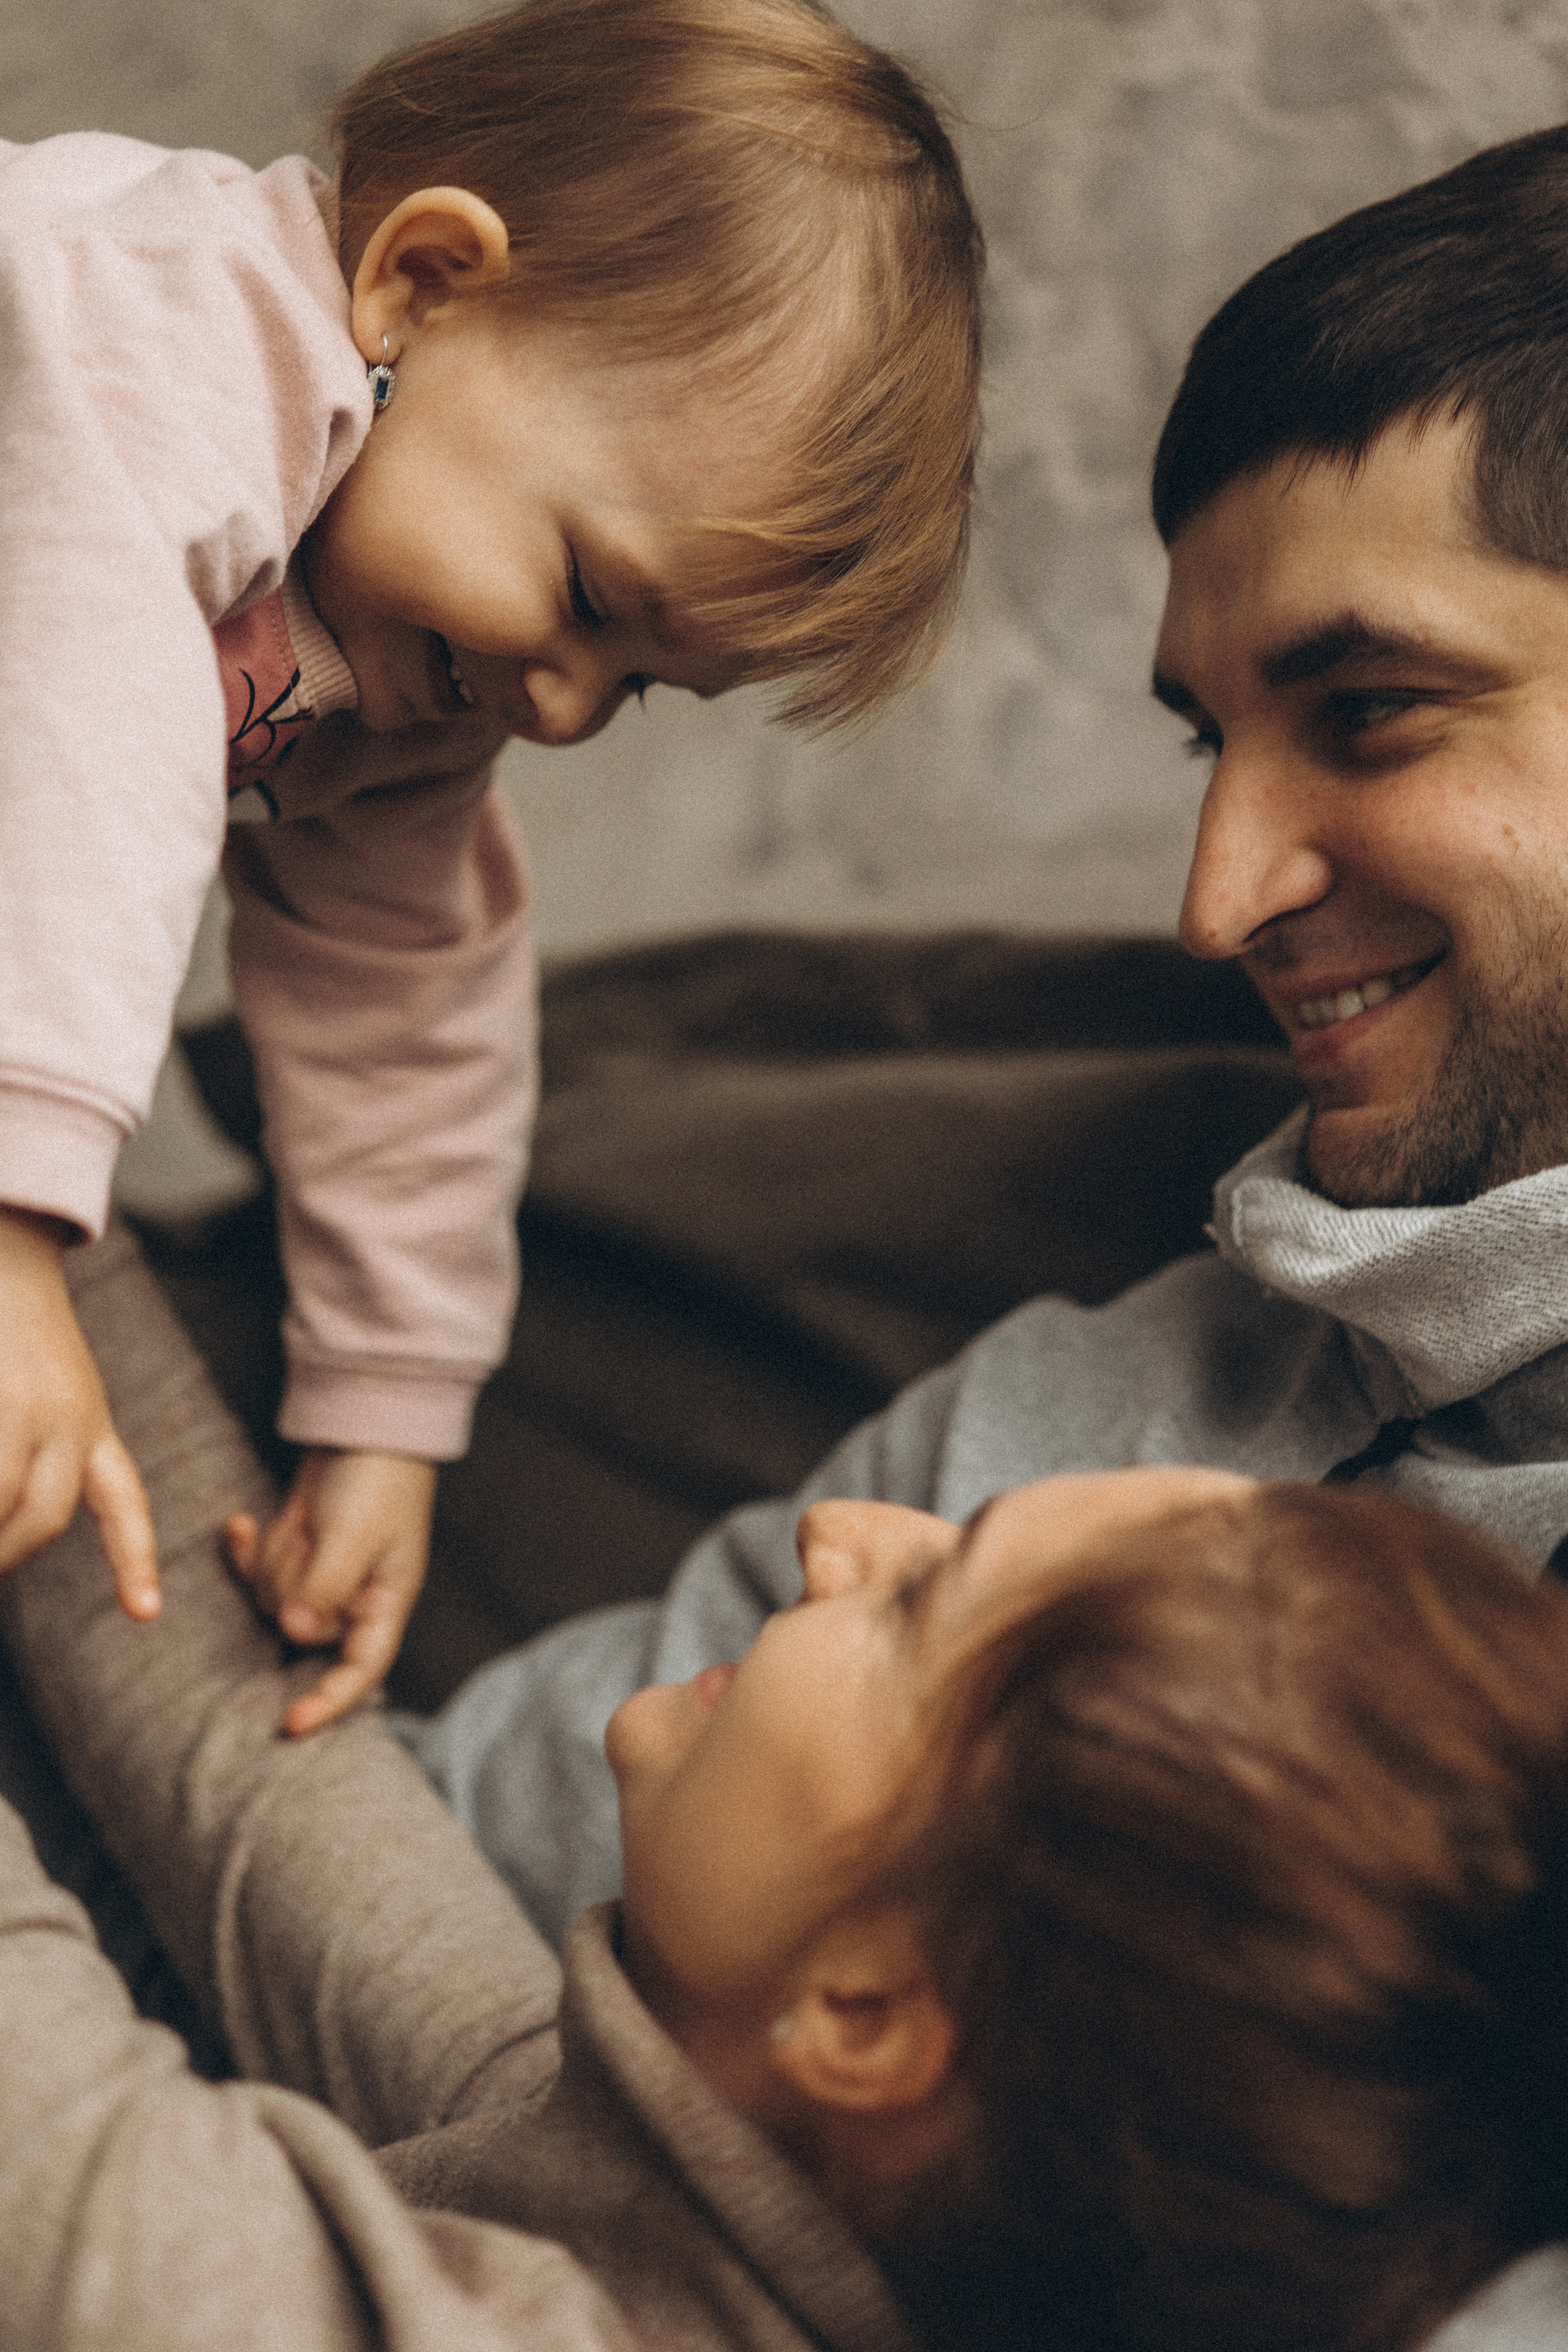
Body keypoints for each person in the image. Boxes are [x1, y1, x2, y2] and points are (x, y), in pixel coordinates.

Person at [388, 116, 1568, 1949]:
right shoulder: (1105, 1406)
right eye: (1211, 742)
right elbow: (413, 1868)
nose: (1216, 900)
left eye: (1372, 710)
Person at [6, 1223, 1568, 2352]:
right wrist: (41, 1212)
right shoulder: (675, 2170)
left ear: (867, 2018)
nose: (844, 1537)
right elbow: (254, 1777)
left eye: (919, 1601)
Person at [0, 0, 983, 1730]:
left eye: (643, 686)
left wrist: (385, 1405)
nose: (563, 700)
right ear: (424, 286)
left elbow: (410, 1000)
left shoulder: (413, 670)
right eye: (593, 599)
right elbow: (75, 727)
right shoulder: (159, 331)